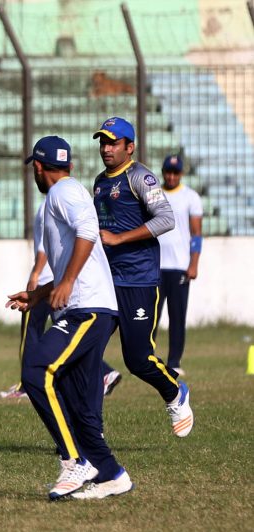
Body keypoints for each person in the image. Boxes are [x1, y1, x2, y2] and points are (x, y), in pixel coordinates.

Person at [7, 136, 132, 500]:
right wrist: (39, 294)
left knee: (35, 370)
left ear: (38, 167)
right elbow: (69, 253)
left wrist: (68, 282)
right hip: (86, 305)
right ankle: (111, 475)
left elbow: (88, 233)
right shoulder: (63, 194)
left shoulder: (62, 193)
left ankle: (72, 460)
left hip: (87, 308)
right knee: (75, 400)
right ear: (70, 165)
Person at [91, 117, 193, 437]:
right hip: (107, 281)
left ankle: (175, 393)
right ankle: (91, 434)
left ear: (129, 147)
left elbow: (166, 219)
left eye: (113, 143)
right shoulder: (99, 181)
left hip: (138, 281)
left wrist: (120, 239)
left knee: (137, 359)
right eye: (102, 142)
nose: (106, 148)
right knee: (86, 354)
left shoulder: (140, 176)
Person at [154, 155, 203, 376]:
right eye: (167, 172)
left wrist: (193, 263)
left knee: (177, 316)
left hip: (180, 266)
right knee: (150, 316)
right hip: (155, 266)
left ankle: (174, 361)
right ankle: (147, 358)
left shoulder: (190, 197)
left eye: (175, 173)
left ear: (181, 174)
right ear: (163, 172)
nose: (171, 176)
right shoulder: (154, 194)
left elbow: (197, 234)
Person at [0, 199, 52, 400]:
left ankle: (27, 385)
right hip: (61, 280)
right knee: (67, 332)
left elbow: (43, 246)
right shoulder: (72, 198)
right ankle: (104, 373)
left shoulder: (48, 204)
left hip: (45, 281)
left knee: (30, 335)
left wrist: (36, 273)